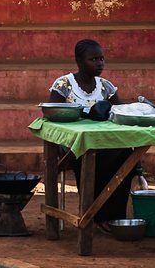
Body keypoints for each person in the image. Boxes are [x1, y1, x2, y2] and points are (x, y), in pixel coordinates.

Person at [49, 39, 135, 232]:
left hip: (106, 143)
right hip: (73, 145)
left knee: (128, 156)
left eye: (102, 59)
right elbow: (52, 115)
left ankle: (115, 216)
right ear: (79, 61)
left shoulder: (106, 87)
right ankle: (95, 214)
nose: (100, 63)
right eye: (94, 59)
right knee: (91, 156)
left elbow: (120, 114)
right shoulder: (63, 85)